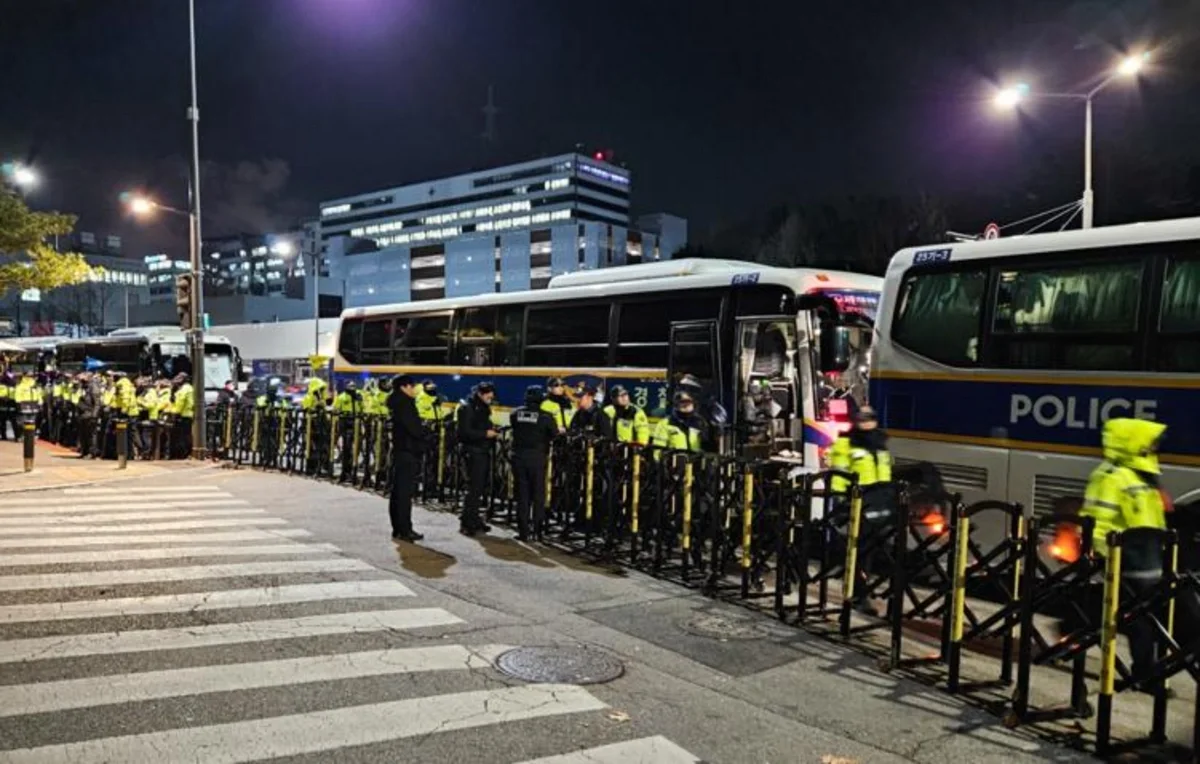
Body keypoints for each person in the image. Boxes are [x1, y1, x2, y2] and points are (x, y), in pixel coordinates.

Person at [1080, 417, 1169, 687]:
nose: (1153, 449)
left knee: (1144, 617)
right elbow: (1097, 519)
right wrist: (1101, 551)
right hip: (1129, 558)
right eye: (1148, 444)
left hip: (1150, 558)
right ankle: (1145, 675)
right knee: (1141, 620)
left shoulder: (1142, 475)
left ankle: (1074, 626)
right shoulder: (1111, 476)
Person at [829, 405, 894, 615]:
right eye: (861, 418)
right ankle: (858, 596)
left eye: (870, 418)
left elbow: (886, 472)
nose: (866, 422)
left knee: (878, 553)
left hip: (880, 501)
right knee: (860, 553)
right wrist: (840, 502)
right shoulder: (846, 442)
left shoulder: (881, 442)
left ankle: (870, 594)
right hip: (858, 502)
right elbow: (839, 474)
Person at [510, 385, 559, 541]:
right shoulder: (546, 417)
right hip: (537, 458)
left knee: (522, 495)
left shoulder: (515, 414)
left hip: (518, 457)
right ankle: (538, 530)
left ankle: (523, 531)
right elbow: (554, 434)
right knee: (538, 494)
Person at [387, 374, 425, 542]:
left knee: (398, 492)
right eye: (412, 385)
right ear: (404, 387)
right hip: (407, 452)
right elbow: (415, 429)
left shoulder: (397, 403)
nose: (415, 388)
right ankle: (405, 529)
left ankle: (398, 527)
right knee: (404, 493)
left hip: (400, 451)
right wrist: (425, 433)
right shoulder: (405, 405)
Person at [456, 381, 498, 536]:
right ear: (480, 393)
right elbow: (464, 432)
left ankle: (473, 518)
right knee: (473, 488)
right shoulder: (467, 408)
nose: (491, 396)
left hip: (481, 451)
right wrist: (485, 434)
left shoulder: (481, 408)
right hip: (473, 452)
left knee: (478, 487)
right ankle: (468, 522)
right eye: (488, 393)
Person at [172, 372, 195, 458]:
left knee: (183, 435)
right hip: (187, 414)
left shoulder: (184, 389)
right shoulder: (189, 388)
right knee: (187, 434)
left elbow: (180, 402)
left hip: (184, 414)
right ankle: (186, 452)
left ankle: (184, 453)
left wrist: (175, 412)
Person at [0, 371, 14, 441]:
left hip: (4, 407)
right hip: (10, 406)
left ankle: (4, 436)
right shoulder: (12, 387)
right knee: (13, 422)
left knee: (3, 422)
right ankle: (17, 436)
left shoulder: (1, 386)